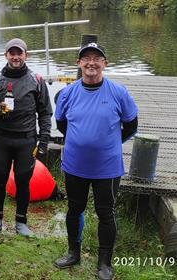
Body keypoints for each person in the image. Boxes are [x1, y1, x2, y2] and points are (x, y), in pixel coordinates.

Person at [53, 39, 138, 280]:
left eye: (96, 58)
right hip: (75, 165)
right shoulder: (67, 93)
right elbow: (62, 124)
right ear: (78, 63)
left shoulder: (118, 92)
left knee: (106, 213)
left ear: (104, 63)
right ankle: (73, 252)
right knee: (74, 208)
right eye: (86, 58)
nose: (91, 63)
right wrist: (81, 140)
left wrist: (109, 142)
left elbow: (131, 126)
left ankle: (104, 263)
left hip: (107, 167)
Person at [0, 38, 52, 237]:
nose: (15, 57)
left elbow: (45, 113)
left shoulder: (36, 80)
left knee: (23, 180)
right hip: (2, 138)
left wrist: (43, 140)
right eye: (12, 53)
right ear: (6, 56)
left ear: (25, 55)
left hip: (26, 139)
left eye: (19, 53)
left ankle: (21, 221)